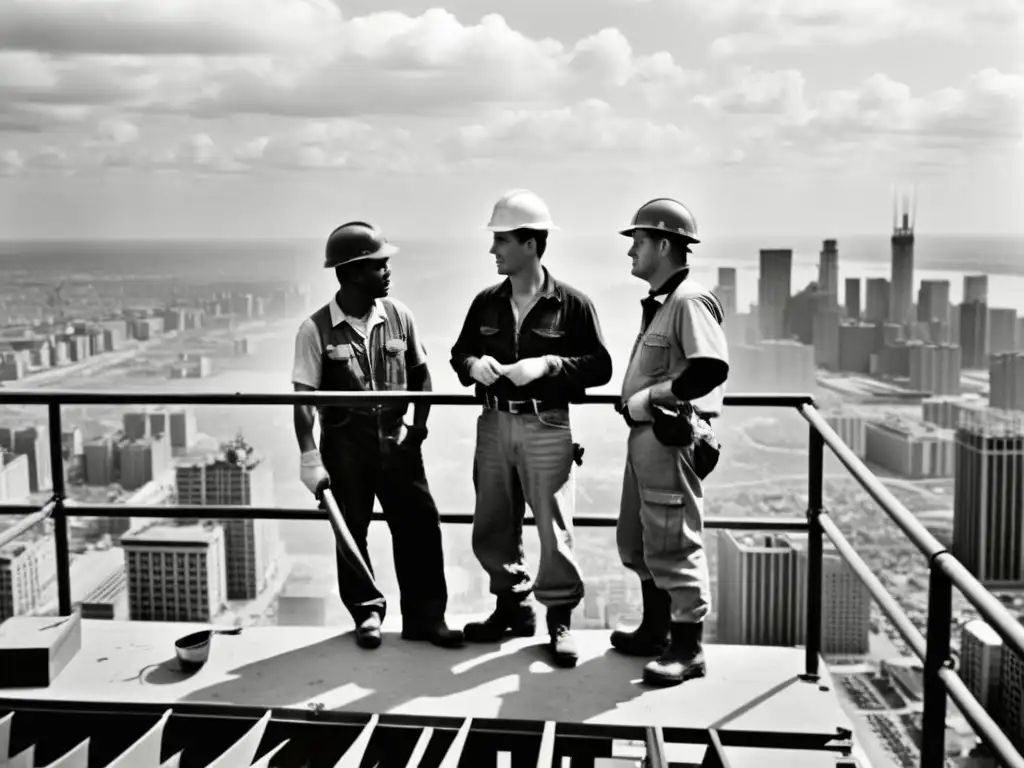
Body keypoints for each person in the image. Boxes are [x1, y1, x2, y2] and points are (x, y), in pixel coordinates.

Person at [450, 189, 613, 669]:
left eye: (501, 240)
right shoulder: (486, 303)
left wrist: (547, 365)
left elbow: (600, 367)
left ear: (531, 243)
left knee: (553, 528)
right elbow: (459, 353)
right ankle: (511, 608)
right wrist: (473, 364)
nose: (493, 249)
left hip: (547, 423)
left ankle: (558, 619)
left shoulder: (573, 304)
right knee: (493, 522)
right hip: (494, 423)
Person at [292, 221, 463, 651]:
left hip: (398, 443)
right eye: (378, 265)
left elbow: (422, 375)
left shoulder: (399, 317)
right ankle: (366, 611)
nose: (388, 271)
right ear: (351, 272)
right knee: (352, 531)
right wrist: (310, 458)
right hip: (345, 449)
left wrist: (419, 430)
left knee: (420, 527)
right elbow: (303, 402)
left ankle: (427, 619)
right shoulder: (314, 331)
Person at [611, 198, 729, 687]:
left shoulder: (688, 301)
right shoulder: (664, 302)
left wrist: (654, 397)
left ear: (664, 245)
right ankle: (656, 630)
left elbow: (709, 368)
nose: (631, 253)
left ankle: (687, 650)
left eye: (638, 243)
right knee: (638, 540)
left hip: (669, 437)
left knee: (674, 543)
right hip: (647, 441)